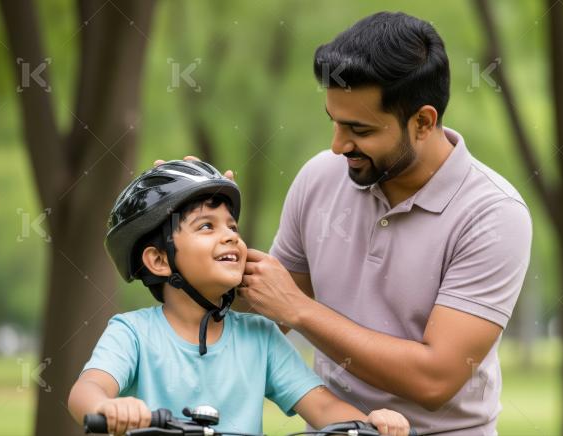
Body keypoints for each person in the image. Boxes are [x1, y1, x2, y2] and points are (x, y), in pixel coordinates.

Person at [233, 12, 533, 435]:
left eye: (359, 129)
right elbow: (265, 311)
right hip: (332, 428)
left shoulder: (492, 213)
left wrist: (301, 310)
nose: (337, 146)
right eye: (334, 122)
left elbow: (435, 379)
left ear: (423, 122)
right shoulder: (319, 177)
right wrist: (197, 222)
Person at [66, 160, 410, 436]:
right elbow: (86, 390)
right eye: (206, 227)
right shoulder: (133, 333)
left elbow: (323, 407)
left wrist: (370, 423)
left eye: (232, 227)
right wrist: (107, 407)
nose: (230, 237)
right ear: (158, 260)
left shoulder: (260, 336)